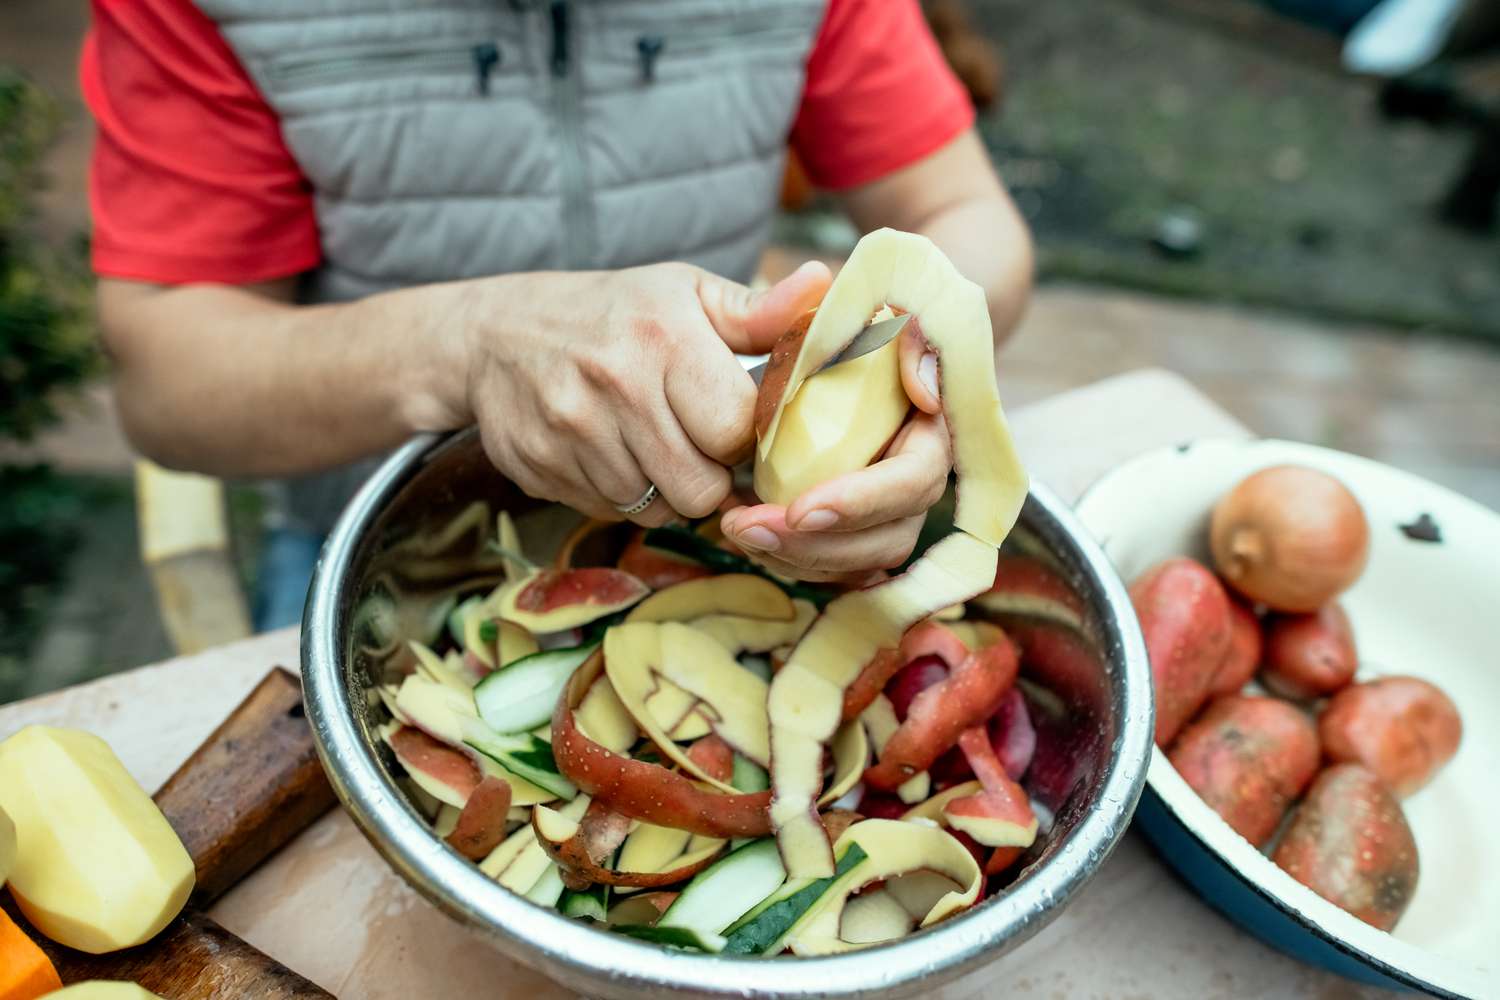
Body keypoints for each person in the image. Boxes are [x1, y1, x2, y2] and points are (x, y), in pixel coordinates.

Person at [83, 0, 1033, 627]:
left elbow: (967, 219)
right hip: (387, 558)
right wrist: (468, 343)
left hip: (715, 529)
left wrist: (916, 361)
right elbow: (168, 380)